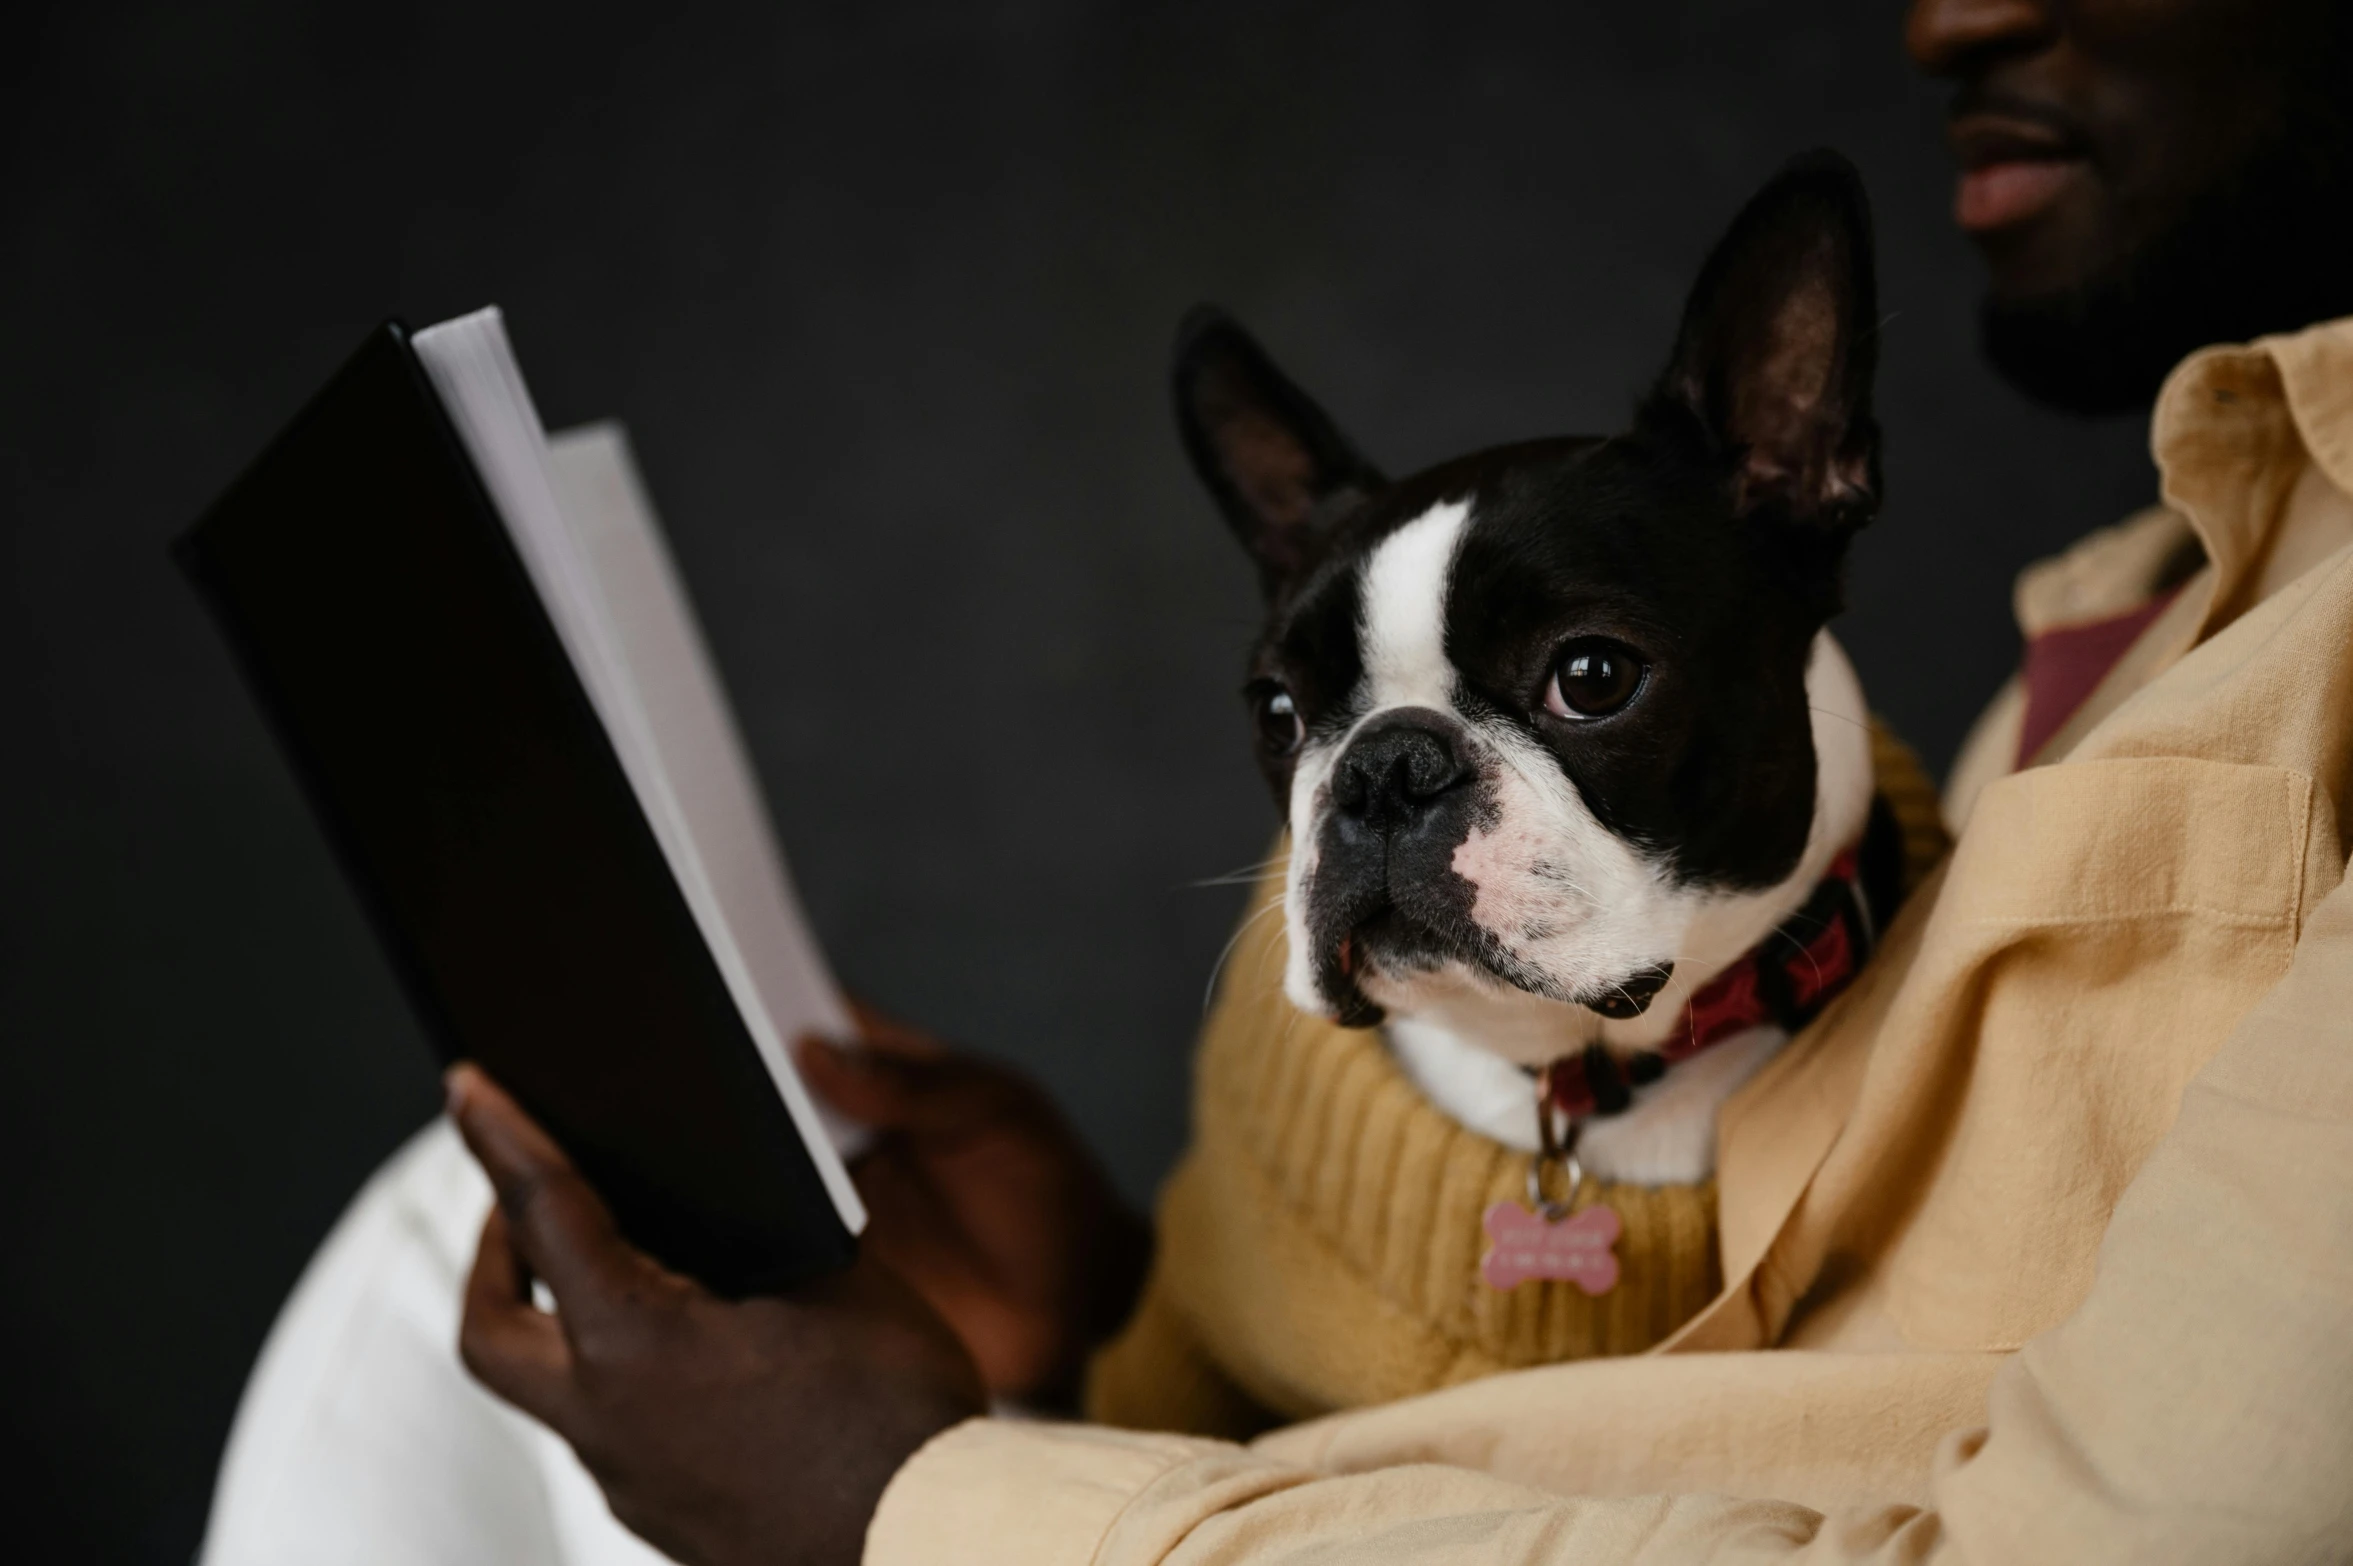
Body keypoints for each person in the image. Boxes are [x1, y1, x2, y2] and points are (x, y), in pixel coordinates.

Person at [215, 0, 2353, 1561]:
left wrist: (914, 1493)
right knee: (467, 1234)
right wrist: (1108, 1299)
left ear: (1807, 472)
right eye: (1309, 725)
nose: (1947, 12)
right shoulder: (2134, 621)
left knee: (444, 1290)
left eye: (1585, 679)